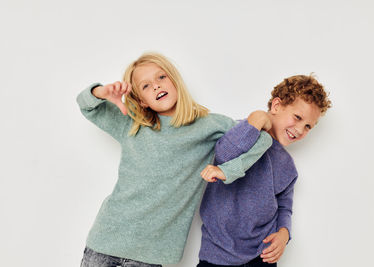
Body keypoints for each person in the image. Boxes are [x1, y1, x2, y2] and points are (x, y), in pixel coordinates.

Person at [76, 52, 272, 267]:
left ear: (174, 80)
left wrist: (229, 170)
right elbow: (85, 104)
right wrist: (101, 92)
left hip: (151, 256)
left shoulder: (209, 125)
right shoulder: (131, 124)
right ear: (141, 101)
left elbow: (262, 139)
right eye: (146, 86)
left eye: (161, 77)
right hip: (105, 242)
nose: (157, 86)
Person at [198, 75, 332, 267]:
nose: (300, 129)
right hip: (217, 252)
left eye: (308, 126)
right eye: (297, 117)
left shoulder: (287, 167)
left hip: (261, 255)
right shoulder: (244, 131)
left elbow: (284, 205)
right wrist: (257, 119)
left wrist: (284, 234)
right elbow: (224, 155)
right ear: (276, 106)